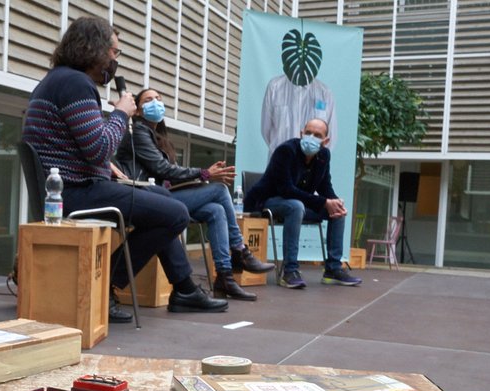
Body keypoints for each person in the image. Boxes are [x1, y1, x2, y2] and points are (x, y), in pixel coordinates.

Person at [22, 17, 227, 320]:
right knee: (176, 214)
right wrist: (120, 113)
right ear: (94, 49)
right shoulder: (76, 83)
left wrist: (109, 166)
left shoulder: (58, 80)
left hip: (72, 188)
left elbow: (83, 147)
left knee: (162, 200)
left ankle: (184, 288)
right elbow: (99, 149)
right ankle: (105, 287)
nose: (115, 61)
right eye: (115, 53)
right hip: (75, 193)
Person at [116, 87, 274, 301]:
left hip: (163, 195)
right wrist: (205, 173)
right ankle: (239, 250)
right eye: (148, 100)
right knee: (218, 189)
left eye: (158, 98)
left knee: (216, 210)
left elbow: (170, 174)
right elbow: (162, 169)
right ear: (138, 110)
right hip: (147, 197)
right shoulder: (139, 132)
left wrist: (201, 176)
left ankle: (225, 277)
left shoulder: (159, 136)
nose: (155, 102)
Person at [244, 118, 361, 289]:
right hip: (267, 202)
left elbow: (324, 186)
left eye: (317, 135)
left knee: (337, 212)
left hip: (295, 204)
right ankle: (290, 271)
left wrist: (334, 202)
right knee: (296, 206)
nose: (311, 137)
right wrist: (323, 202)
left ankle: (333, 270)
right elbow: (286, 190)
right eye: (308, 133)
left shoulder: (323, 156)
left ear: (325, 141)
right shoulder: (286, 151)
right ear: (301, 133)